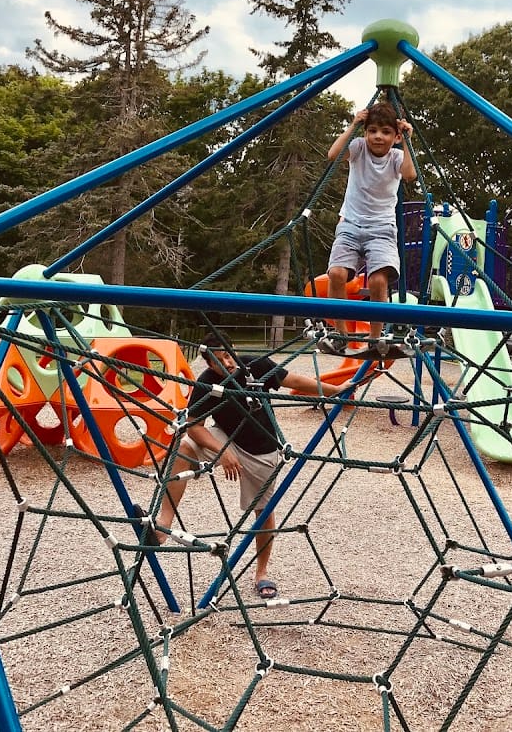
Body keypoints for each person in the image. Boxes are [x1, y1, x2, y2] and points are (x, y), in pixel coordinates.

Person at [133, 333, 358, 600]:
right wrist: (223, 450)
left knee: (263, 512)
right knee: (183, 447)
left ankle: (261, 573)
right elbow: (193, 425)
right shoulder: (206, 382)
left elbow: (293, 380)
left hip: (263, 450)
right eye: (219, 360)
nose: (227, 363)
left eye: (228, 355)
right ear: (208, 364)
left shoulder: (255, 366)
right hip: (227, 439)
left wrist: (333, 390)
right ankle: (163, 524)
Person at [326, 102, 416, 347]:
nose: (378, 136)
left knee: (377, 281)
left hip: (382, 229)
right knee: (336, 274)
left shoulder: (397, 156)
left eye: (386, 132)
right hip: (351, 223)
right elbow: (333, 155)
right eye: (372, 130)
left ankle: (375, 338)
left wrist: (407, 140)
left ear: (395, 136)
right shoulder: (357, 148)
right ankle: (341, 335)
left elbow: (409, 175)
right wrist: (354, 124)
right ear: (365, 133)